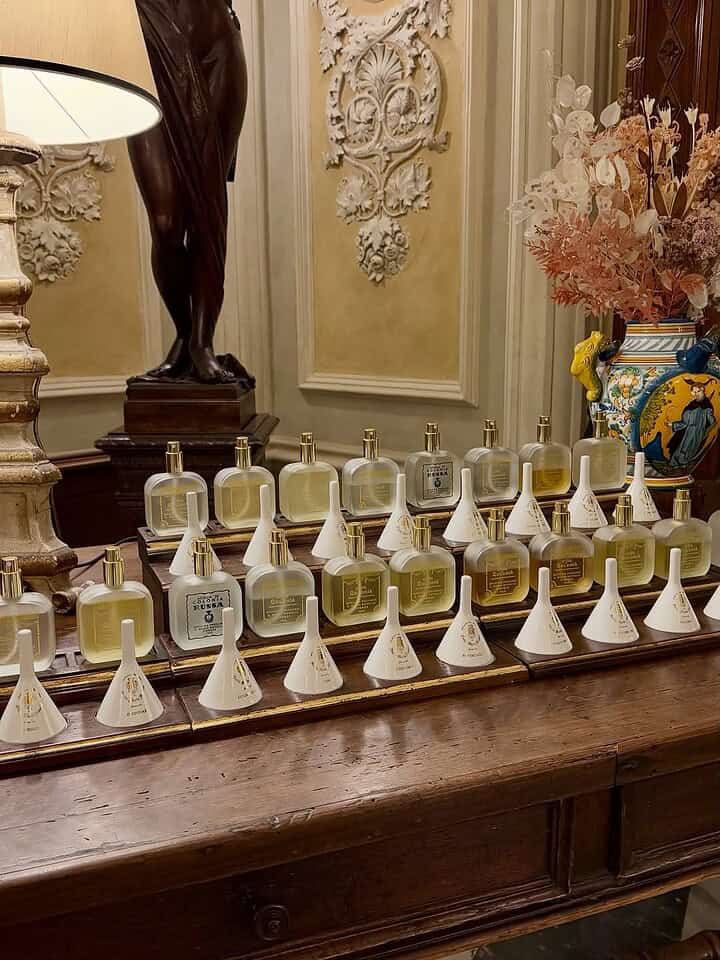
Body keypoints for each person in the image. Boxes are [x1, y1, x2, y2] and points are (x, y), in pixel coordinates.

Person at [130, 0, 251, 383]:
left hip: (215, 42)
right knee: (165, 223)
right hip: (148, 42)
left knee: (206, 209)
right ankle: (184, 332)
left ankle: (199, 342)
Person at [667, 380, 716, 470]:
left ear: (703, 390)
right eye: (694, 392)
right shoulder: (692, 404)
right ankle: (675, 464)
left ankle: (682, 464)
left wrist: (706, 430)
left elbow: (712, 422)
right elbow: (685, 422)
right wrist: (673, 424)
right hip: (687, 430)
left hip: (696, 432)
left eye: (698, 391)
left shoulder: (707, 406)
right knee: (680, 446)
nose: (696, 394)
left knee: (687, 448)